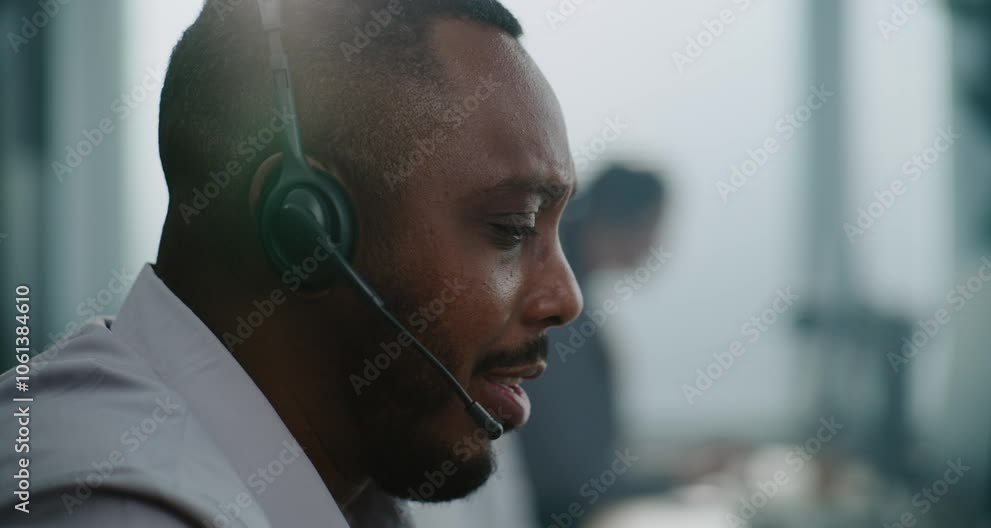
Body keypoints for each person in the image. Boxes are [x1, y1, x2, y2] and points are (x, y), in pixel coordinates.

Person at [0, 0, 584, 526]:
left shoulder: (344, 486)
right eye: (513, 228)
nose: (566, 298)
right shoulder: (114, 507)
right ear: (303, 228)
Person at [518, 163, 669, 527]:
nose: (657, 243)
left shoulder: (568, 286)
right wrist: (671, 481)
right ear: (628, 220)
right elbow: (571, 475)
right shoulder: (557, 304)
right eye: (655, 226)